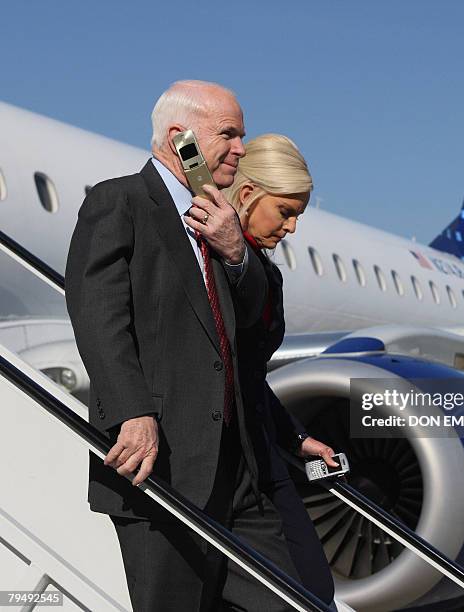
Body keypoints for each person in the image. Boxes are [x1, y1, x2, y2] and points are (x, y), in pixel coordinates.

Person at [65, 81, 336, 611]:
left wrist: (237, 254)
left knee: (296, 601)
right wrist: (131, 411)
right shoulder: (119, 201)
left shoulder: (218, 223)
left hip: (242, 475)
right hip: (161, 462)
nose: (241, 148)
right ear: (178, 137)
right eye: (229, 134)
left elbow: (247, 347)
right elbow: (99, 317)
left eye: (243, 135)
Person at [211, 133, 337, 609]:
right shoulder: (205, 263)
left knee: (312, 590)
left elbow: (247, 375)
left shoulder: (262, 271)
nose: (291, 228)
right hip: (220, 455)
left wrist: (297, 437)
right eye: (285, 211)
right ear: (246, 196)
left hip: (260, 453)